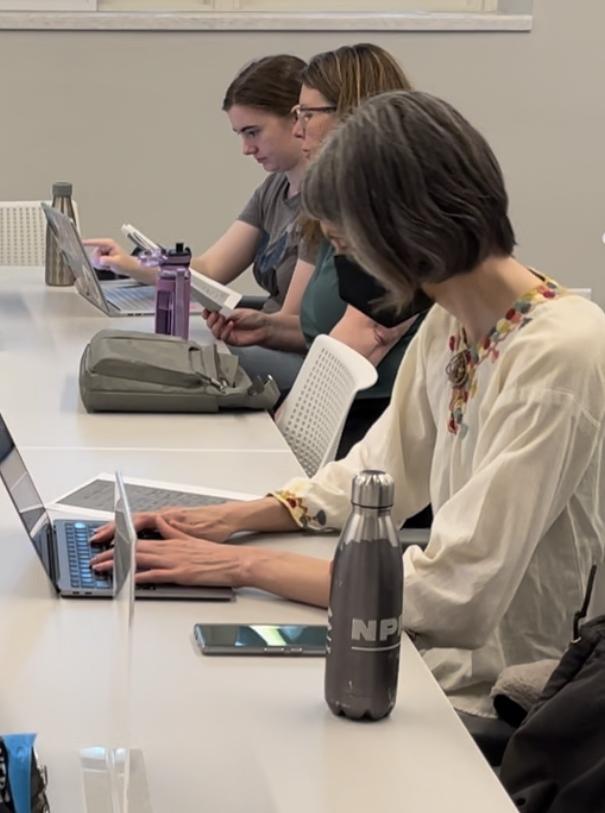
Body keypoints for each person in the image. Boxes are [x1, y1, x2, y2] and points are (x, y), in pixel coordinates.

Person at [93, 92, 605, 709]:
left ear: (403, 231)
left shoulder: (560, 353)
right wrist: (229, 520)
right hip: (405, 646)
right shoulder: (451, 322)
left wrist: (239, 567)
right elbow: (373, 476)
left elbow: (455, 595)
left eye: (345, 244)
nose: (343, 264)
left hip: (478, 689)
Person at [204, 44, 421, 421]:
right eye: (295, 114)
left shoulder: (387, 209)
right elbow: (321, 331)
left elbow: (366, 335)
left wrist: (284, 428)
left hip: (371, 409)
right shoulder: (336, 201)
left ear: (353, 113)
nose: (298, 127)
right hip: (343, 397)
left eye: (306, 114)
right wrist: (267, 328)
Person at [89, 53, 310, 322]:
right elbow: (211, 269)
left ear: (297, 119)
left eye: (253, 132)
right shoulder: (274, 188)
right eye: (240, 135)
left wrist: (246, 327)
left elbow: (296, 324)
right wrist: (128, 265)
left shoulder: (326, 203)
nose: (246, 149)